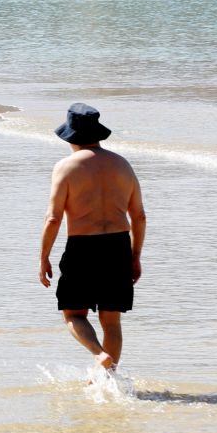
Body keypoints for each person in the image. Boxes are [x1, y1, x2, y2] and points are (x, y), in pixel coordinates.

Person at [39, 104, 146, 373]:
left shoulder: (65, 167)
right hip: (118, 246)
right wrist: (135, 256)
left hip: (82, 247)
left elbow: (53, 218)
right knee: (112, 322)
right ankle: (108, 377)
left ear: (70, 135)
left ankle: (99, 355)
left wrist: (43, 258)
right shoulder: (122, 164)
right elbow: (140, 216)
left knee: (74, 314)